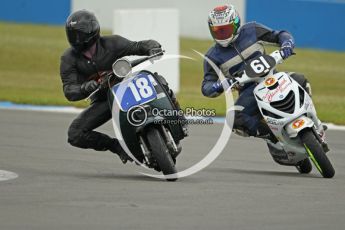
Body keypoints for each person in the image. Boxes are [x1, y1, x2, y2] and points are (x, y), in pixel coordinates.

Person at [60, 10, 164, 163]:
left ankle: (177, 115)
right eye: (73, 34)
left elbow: (138, 46)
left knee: (157, 79)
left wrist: (153, 47)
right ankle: (116, 146)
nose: (76, 39)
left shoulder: (112, 43)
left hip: (128, 88)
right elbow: (68, 89)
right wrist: (84, 88)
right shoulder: (68, 58)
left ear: (93, 30)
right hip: (104, 101)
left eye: (80, 34)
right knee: (75, 134)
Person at [202, 4, 313, 141]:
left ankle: (311, 120)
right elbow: (206, 87)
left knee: (301, 80)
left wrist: (287, 45)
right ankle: (274, 138)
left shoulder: (252, 30)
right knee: (234, 119)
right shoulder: (212, 56)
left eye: (226, 30)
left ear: (236, 24)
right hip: (249, 92)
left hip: (273, 78)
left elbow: (281, 35)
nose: (222, 35)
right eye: (218, 31)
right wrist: (220, 85)